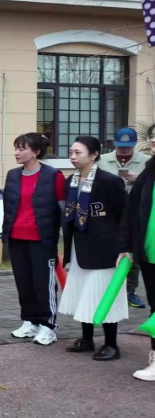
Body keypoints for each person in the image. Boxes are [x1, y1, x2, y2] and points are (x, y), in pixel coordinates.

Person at [60, 136, 129, 361]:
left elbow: (124, 216)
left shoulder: (109, 181)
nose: (73, 156)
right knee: (83, 293)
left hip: (106, 248)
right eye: (71, 152)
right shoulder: (70, 181)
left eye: (78, 152)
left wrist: (124, 247)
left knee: (104, 294)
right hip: (80, 247)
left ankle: (111, 344)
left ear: (94, 154)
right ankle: (87, 338)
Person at [2, 133, 66, 346]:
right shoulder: (12, 175)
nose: (17, 153)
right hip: (16, 236)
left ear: (36, 152)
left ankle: (48, 326)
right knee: (24, 282)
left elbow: (62, 209)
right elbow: (8, 207)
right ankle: (29, 321)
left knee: (43, 283)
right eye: (16, 148)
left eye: (22, 148)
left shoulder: (53, 176)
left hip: (42, 239)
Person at [97, 127, 148, 308]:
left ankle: (130, 291)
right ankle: (107, 289)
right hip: (109, 213)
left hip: (135, 213)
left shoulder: (146, 162)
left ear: (134, 144)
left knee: (131, 252)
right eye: (120, 146)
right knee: (108, 249)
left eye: (127, 146)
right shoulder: (102, 160)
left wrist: (138, 180)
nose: (124, 150)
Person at [118, 134, 155, 380]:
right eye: (153, 138)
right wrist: (126, 246)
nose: (153, 142)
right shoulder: (149, 172)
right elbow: (131, 212)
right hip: (150, 255)